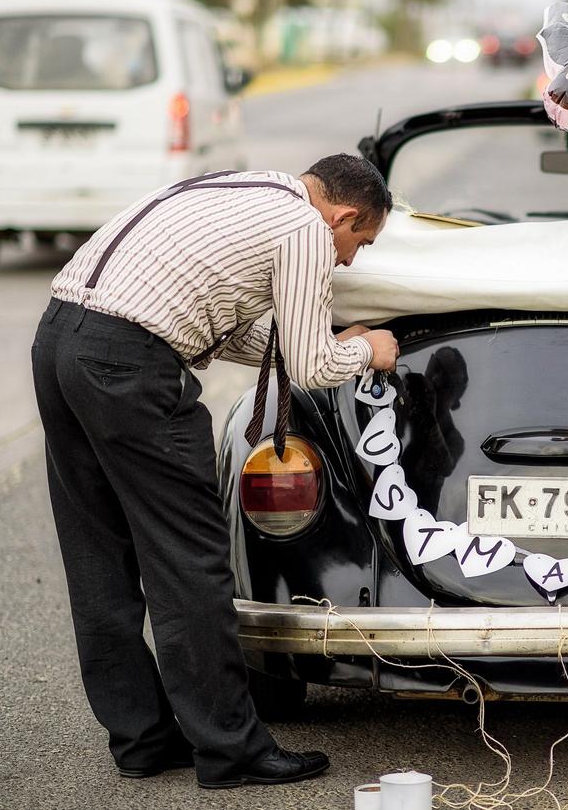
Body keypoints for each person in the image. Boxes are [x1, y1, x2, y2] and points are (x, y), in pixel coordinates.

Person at [30, 154, 398, 789]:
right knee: (191, 562)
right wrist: (367, 348)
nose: (350, 261)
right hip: (130, 365)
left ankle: (143, 740)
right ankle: (232, 751)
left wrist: (323, 342)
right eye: (358, 242)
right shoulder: (305, 229)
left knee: (97, 555)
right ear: (342, 215)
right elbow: (312, 368)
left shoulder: (235, 189)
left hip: (61, 340)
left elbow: (221, 330)